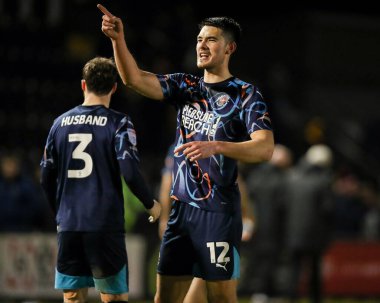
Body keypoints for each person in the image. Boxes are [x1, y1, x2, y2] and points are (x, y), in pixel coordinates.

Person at [98, 5, 274, 302]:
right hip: (180, 212)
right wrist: (118, 41)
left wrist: (217, 146)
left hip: (218, 212)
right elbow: (134, 80)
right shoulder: (186, 86)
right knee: (163, 299)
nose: (201, 45)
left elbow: (265, 147)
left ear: (229, 48)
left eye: (211, 40)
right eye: (199, 39)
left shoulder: (245, 94)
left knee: (220, 298)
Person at [40, 56, 161, 303]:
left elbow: (45, 177)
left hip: (70, 223)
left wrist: (59, 213)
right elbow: (129, 171)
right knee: (114, 297)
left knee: (72, 297)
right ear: (114, 87)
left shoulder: (59, 124)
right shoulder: (119, 123)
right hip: (104, 223)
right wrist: (150, 203)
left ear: (83, 85)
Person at [158, 144, 255, 303]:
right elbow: (237, 182)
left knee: (205, 285)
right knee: (205, 284)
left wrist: (164, 218)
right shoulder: (216, 141)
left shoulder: (187, 143)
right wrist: (248, 214)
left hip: (201, 218)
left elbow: (167, 183)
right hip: (211, 219)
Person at [284, 144, 334, 303]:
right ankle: (316, 299)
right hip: (315, 234)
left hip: (292, 232)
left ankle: (292, 298)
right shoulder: (323, 180)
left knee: (294, 269)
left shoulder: (292, 177)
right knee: (314, 270)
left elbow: (284, 205)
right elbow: (328, 209)